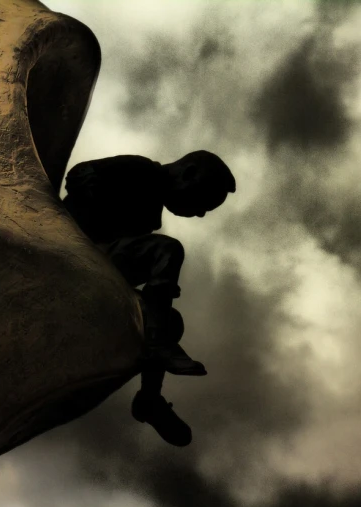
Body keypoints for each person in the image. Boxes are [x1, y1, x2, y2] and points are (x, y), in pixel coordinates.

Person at [62, 150, 236, 447]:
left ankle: (149, 397)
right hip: (74, 249)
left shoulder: (151, 213)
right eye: (203, 202)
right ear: (189, 173)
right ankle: (156, 343)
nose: (201, 214)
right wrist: (93, 203)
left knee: (167, 321)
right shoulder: (141, 170)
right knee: (167, 250)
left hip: (99, 268)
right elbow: (79, 173)